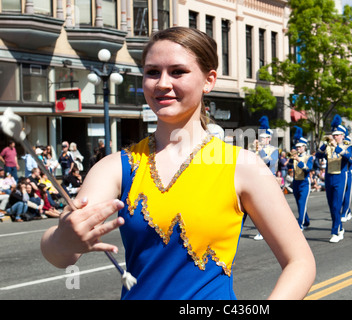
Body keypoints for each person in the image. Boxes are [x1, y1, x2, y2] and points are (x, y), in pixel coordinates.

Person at [40, 26, 315, 300]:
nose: (162, 83)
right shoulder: (115, 167)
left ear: (209, 80)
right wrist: (63, 238)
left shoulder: (241, 166)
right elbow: (60, 255)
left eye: (177, 71)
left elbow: (300, 263)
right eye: (152, 72)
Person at [316, 115, 352, 243]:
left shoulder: (347, 146)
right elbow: (317, 155)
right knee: (332, 206)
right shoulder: (328, 146)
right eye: (334, 134)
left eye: (338, 135)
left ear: (343, 136)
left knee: (337, 205)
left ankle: (335, 232)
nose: (335, 137)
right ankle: (340, 228)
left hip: (340, 177)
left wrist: (337, 146)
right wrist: (324, 144)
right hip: (329, 177)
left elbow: (349, 158)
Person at [290, 127, 314, 230]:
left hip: (304, 182)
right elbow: (289, 167)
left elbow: (308, 169)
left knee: (302, 203)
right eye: (297, 147)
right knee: (299, 204)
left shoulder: (309, 157)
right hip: (296, 182)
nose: (298, 149)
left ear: (304, 147)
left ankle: (300, 224)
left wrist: (298, 160)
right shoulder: (295, 157)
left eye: (300, 147)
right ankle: (306, 221)